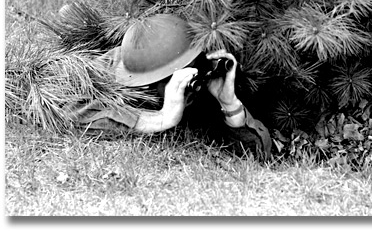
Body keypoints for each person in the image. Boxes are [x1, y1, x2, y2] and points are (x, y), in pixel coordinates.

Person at [65, 13, 272, 160]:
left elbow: (257, 153)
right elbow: (68, 112)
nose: (189, 92)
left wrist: (229, 103)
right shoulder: (112, 69)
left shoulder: (204, 81)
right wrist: (161, 119)